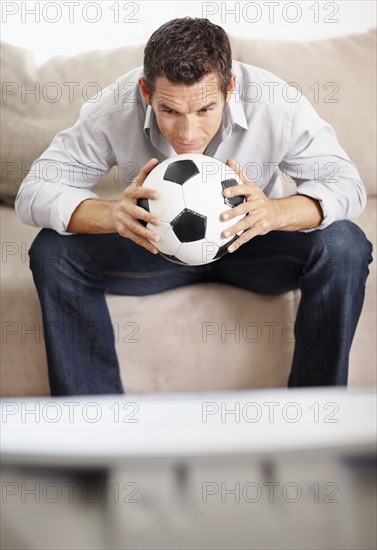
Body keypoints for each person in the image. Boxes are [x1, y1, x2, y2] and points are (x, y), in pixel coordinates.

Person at [16, 17, 372, 396]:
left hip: (252, 244)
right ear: (145, 92)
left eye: (204, 110)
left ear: (230, 88)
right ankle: (95, 428)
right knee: (53, 251)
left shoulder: (275, 103)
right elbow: (34, 191)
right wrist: (109, 214)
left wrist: (274, 212)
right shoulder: (114, 108)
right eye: (170, 111)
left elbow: (346, 185)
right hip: (153, 245)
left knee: (344, 246)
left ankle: (315, 415)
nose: (188, 134)